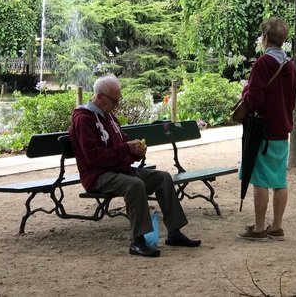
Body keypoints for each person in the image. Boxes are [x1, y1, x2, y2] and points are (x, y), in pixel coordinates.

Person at [69, 74, 201, 257]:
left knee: (162, 177)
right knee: (135, 185)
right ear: (99, 97)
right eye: (114, 101)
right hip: (98, 175)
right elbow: (93, 157)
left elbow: (121, 146)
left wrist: (135, 152)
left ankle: (174, 232)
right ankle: (138, 241)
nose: (117, 105)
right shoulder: (83, 120)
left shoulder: (108, 116)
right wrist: (126, 149)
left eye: (118, 100)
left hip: (119, 170)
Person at [237, 17, 296, 242]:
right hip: (282, 130)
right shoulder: (289, 66)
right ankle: (277, 227)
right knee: (280, 180)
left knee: (260, 179)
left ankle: (260, 228)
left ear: (265, 38)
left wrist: (245, 93)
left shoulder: (262, 64)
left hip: (263, 130)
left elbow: (255, 98)